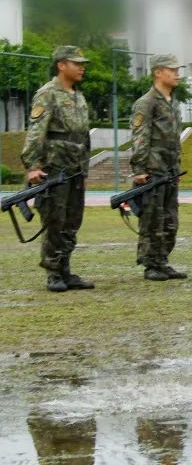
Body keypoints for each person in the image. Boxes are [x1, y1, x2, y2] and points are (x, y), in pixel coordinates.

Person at [21, 45, 94, 292]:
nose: (82, 67)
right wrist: (32, 166)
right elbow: (36, 132)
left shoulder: (78, 96)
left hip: (75, 169)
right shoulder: (47, 93)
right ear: (61, 65)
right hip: (55, 168)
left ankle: (66, 269)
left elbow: (83, 137)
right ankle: (53, 272)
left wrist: (84, 170)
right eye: (76, 63)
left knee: (73, 221)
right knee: (55, 220)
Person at [129, 54, 186, 281]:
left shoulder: (173, 103)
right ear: (158, 72)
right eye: (171, 70)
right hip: (153, 170)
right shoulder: (146, 103)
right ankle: (151, 264)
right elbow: (140, 137)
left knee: (170, 220)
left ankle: (162, 261)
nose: (176, 74)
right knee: (152, 219)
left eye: (177, 70)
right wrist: (140, 169)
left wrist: (177, 166)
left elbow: (174, 139)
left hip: (170, 171)